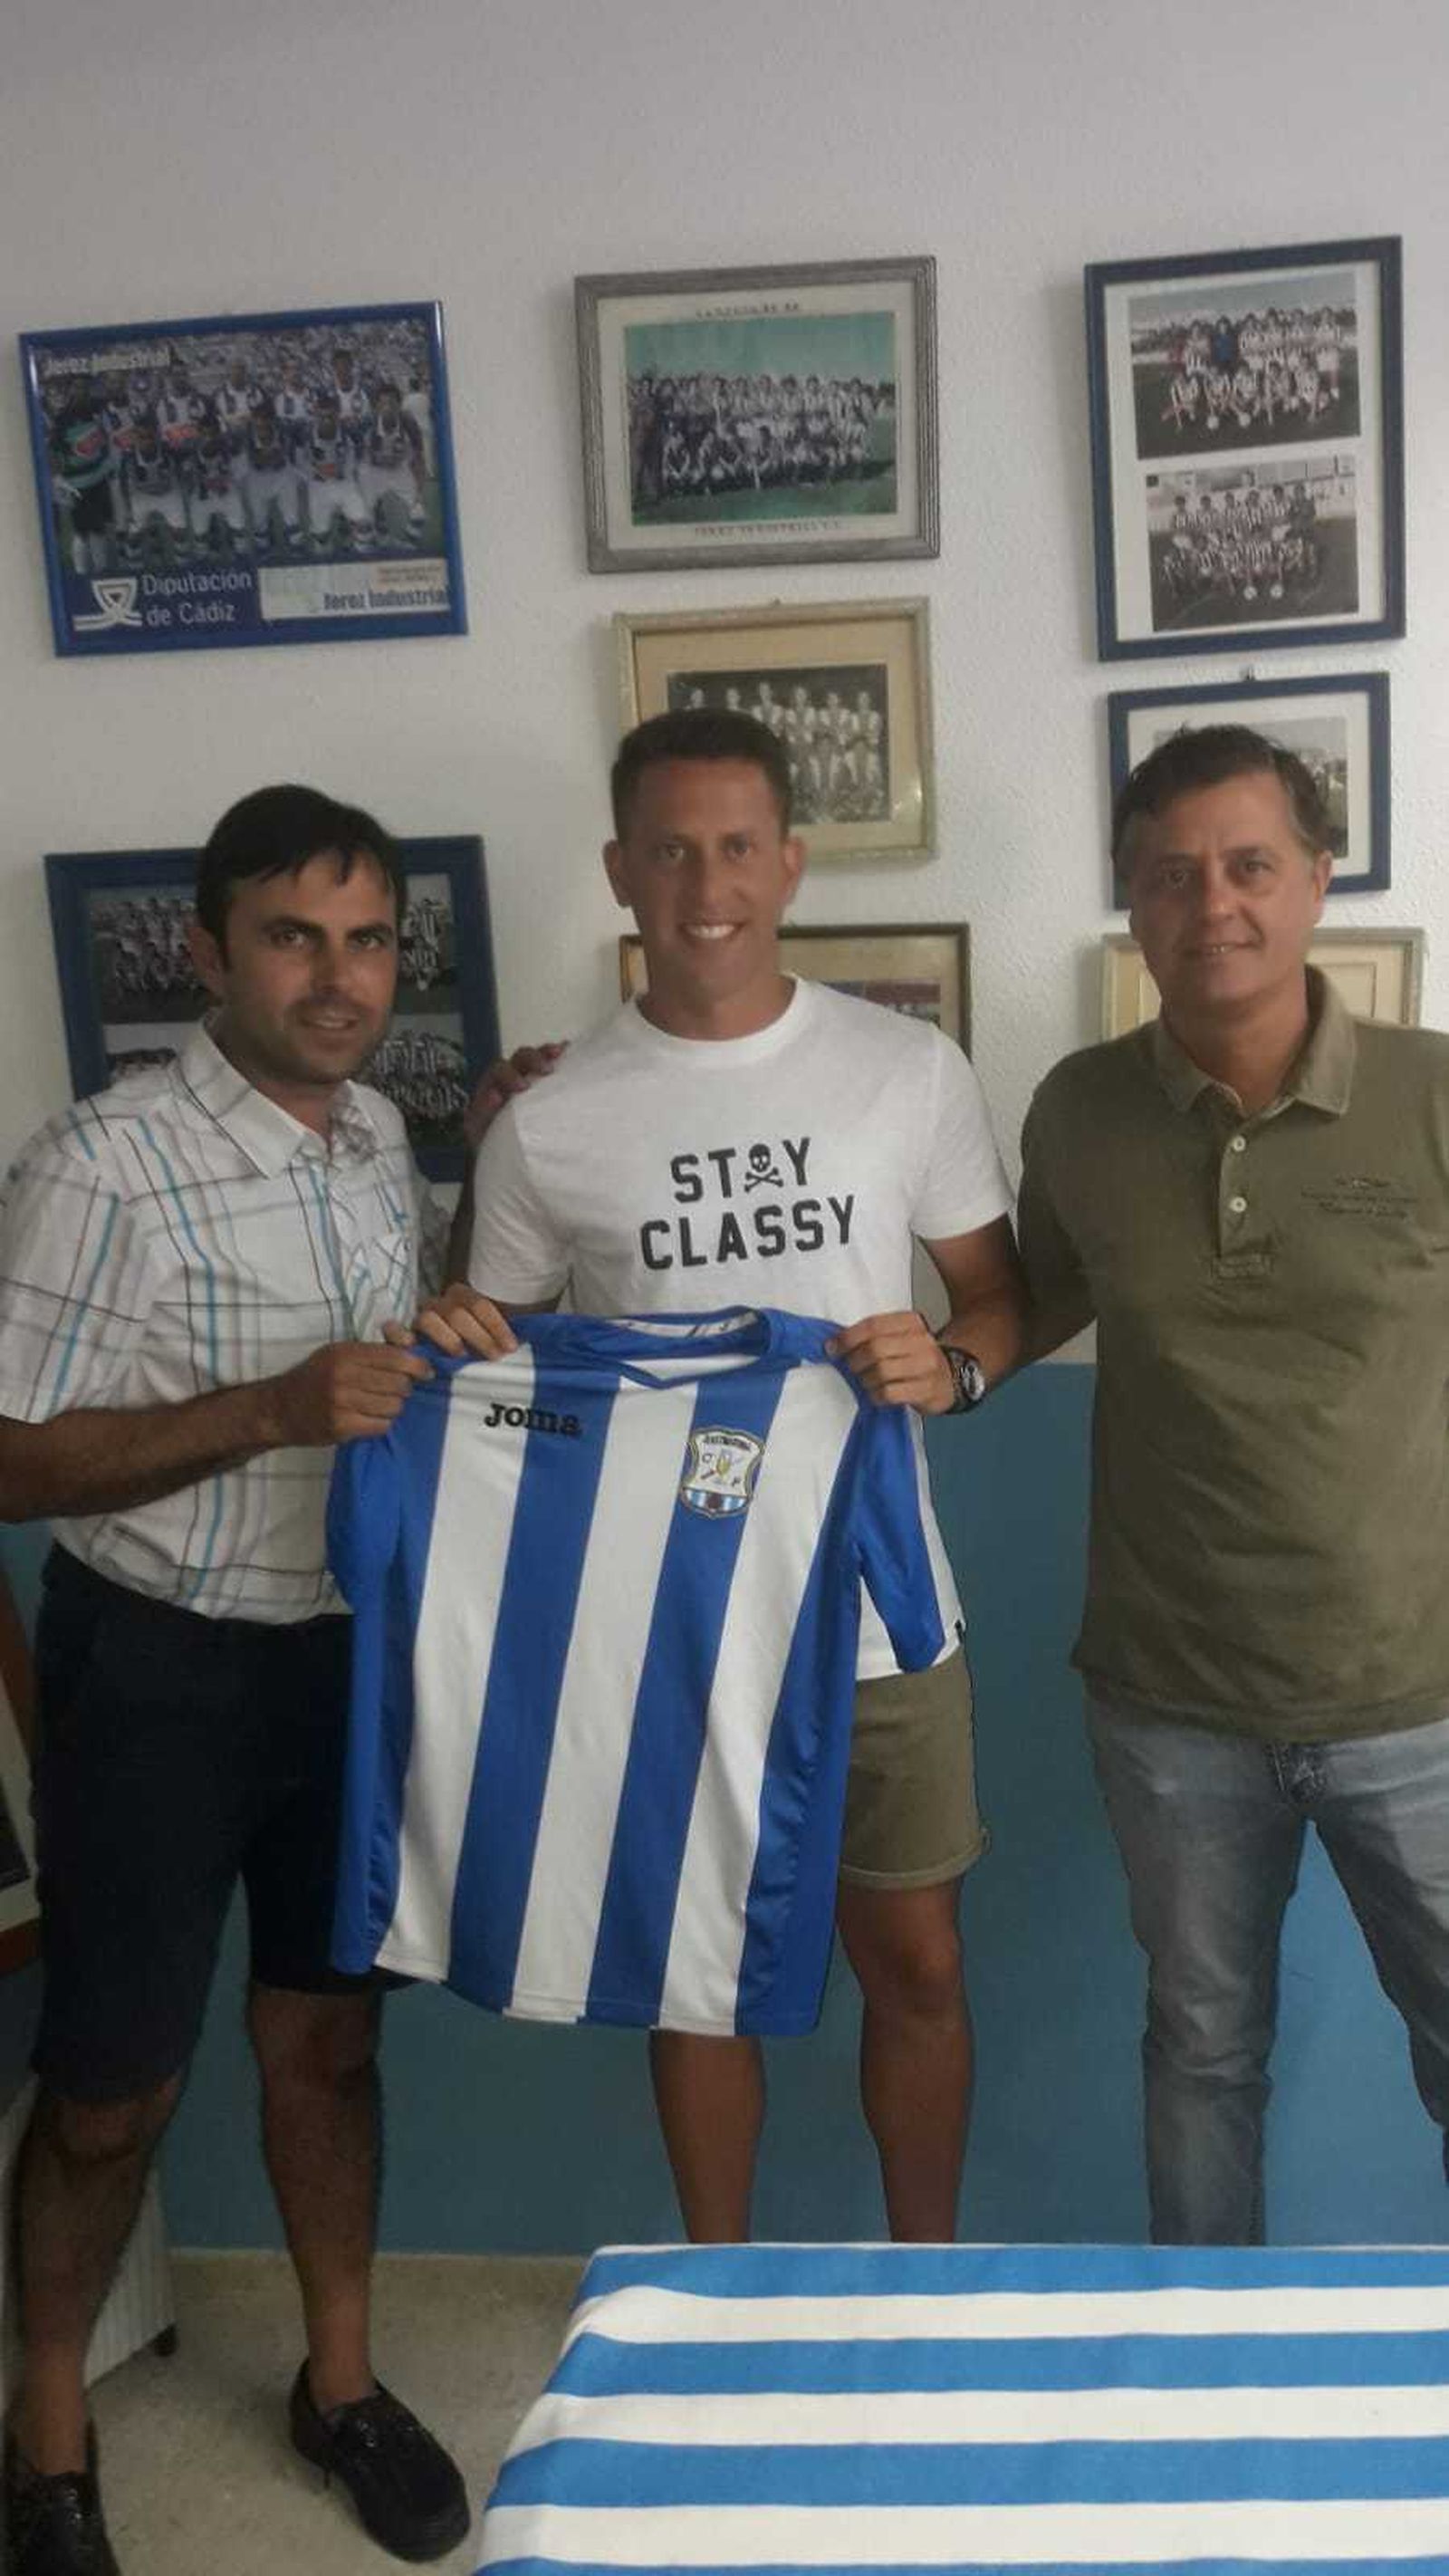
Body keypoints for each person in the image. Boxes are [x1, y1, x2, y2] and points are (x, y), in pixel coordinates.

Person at [417, 706, 1027, 2245]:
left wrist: (953, 1365)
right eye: (673, 848)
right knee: (700, 1976)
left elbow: (999, 1296)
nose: (709, 881)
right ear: (621, 868)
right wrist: (448, 1321)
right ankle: (720, 2295)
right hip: (666, 1610)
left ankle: (925, 2286)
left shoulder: (907, 1066)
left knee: (923, 1965)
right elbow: (496, 1358)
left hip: (878, 1601)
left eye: (740, 845)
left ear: (792, 863)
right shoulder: (551, 1121)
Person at [0, 785, 487, 2574]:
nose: (337, 976)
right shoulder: (97, 1162)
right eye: (295, 936)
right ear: (209, 950)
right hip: (155, 1669)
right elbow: (12, 1457)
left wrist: (443, 1319)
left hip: (342, 1662)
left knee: (329, 2045)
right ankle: (47, 2437)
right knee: (112, 2083)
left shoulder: (376, 1139)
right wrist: (277, 1410)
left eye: (367, 941)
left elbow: (381, 1361)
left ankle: (336, 2385)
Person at [1017, 723, 1449, 2245]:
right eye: (1170, 876)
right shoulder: (1076, 1108)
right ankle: (1203, 2360)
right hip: (1170, 1699)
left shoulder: (1433, 1094)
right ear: (1131, 903)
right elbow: (1042, 1291)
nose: (1216, 906)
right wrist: (940, 1358)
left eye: (1251, 865)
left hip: (1420, 1701)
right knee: (1202, 2055)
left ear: (1319, 880)